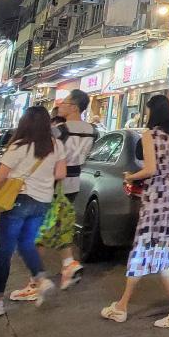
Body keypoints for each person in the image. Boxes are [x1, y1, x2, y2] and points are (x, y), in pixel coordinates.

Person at [100, 94, 169, 328]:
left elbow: (150, 169)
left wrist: (131, 176)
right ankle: (122, 306)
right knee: (150, 254)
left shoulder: (149, 135)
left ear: (153, 112)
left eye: (148, 110)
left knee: (153, 255)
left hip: (156, 202)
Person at [0, 106, 66, 318]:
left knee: (4, 252)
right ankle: (41, 279)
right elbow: (61, 173)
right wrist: (43, 178)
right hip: (42, 201)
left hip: (19, 200)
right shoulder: (56, 144)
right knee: (26, 243)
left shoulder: (19, 146)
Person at [29, 89, 97, 291]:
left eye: (65, 102)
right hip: (74, 183)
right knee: (60, 224)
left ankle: (35, 281)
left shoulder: (59, 130)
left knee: (40, 229)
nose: (60, 105)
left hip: (54, 182)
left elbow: (43, 153)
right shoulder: (93, 130)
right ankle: (68, 264)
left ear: (74, 107)